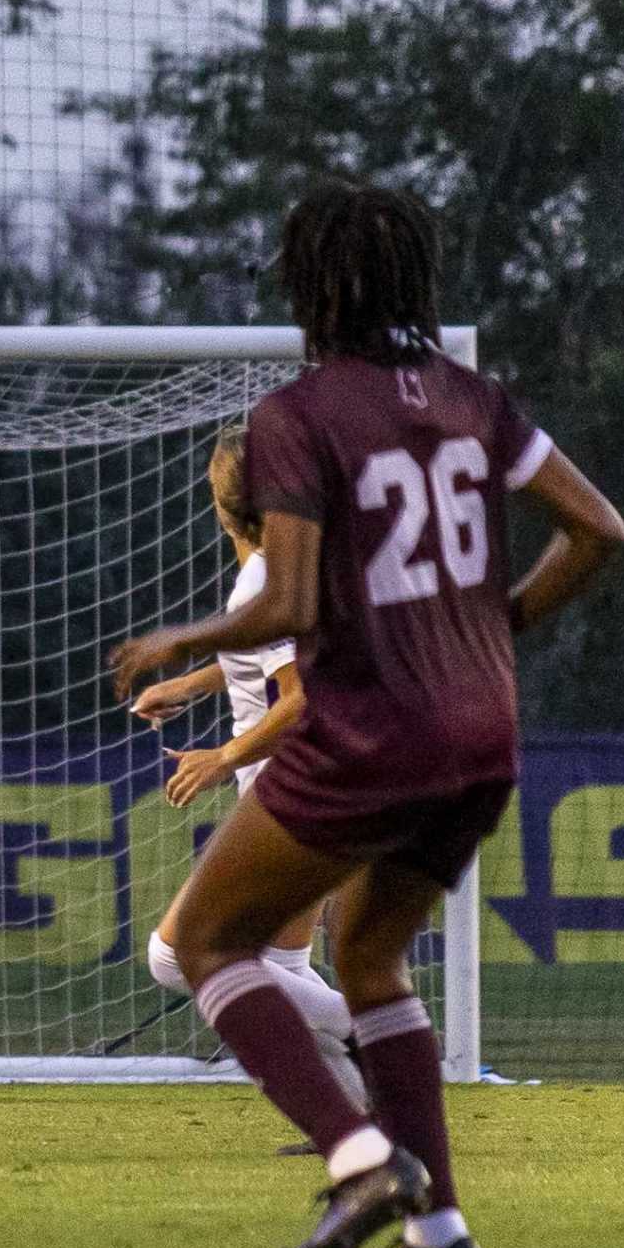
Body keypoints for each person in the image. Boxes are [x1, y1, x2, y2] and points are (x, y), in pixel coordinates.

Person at [111, 181, 624, 1248]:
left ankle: (358, 1160)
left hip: (376, 727)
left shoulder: (298, 417)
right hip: (482, 729)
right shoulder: (472, 398)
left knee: (201, 943)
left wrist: (179, 641)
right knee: (371, 956)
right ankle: (440, 1239)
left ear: (316, 286)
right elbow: (598, 528)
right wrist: (493, 624)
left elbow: (289, 601)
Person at [129, 426, 363, 1111]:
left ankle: (370, 1029)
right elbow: (271, 662)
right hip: (329, 783)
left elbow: (300, 697)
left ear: (224, 508)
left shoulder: (260, 579)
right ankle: (366, 1121)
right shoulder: (297, 564)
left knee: (176, 955)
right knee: (284, 968)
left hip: (294, 793)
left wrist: (221, 756)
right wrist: (192, 685)